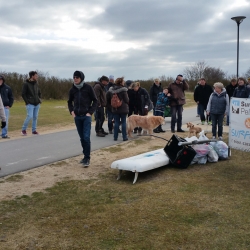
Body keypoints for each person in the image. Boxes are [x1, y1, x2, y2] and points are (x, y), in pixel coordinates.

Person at [68, 70, 98, 167]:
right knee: (82, 138)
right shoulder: (72, 89)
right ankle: (85, 156)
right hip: (77, 117)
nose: (75, 79)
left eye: (77, 77)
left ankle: (87, 158)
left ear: (81, 78)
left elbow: (95, 101)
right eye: (74, 77)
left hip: (86, 117)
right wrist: (72, 111)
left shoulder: (88, 88)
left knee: (86, 137)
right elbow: (69, 102)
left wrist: (90, 112)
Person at [106, 77, 129, 141]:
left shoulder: (111, 90)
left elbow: (107, 98)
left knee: (116, 122)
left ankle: (115, 137)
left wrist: (110, 105)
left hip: (115, 109)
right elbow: (127, 100)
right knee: (123, 122)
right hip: (123, 108)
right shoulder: (123, 90)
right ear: (121, 82)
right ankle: (124, 137)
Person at [21, 71, 41, 136]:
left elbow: (39, 92)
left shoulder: (36, 83)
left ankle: (34, 130)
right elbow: (23, 94)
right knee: (30, 116)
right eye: (36, 76)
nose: (37, 77)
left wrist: (39, 99)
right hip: (30, 104)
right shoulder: (26, 84)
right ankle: (23, 130)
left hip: (37, 103)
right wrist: (27, 102)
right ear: (32, 76)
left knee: (35, 117)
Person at [0, 74, 14, 138]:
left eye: (1, 80)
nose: (0, 81)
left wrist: (10, 105)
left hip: (5, 107)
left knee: (5, 120)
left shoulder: (7, 88)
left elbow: (11, 97)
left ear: (3, 80)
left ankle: (4, 134)